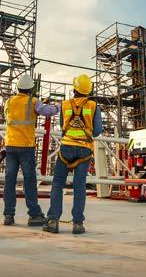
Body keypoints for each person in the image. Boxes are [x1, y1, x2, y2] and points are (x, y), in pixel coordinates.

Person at [44, 73, 102, 235]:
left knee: (57, 184)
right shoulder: (93, 106)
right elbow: (97, 131)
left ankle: (53, 221)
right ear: (88, 90)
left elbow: (63, 126)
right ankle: (77, 224)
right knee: (79, 186)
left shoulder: (65, 104)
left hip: (66, 149)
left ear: (75, 89)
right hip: (84, 150)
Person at [3, 73, 60, 227]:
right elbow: (47, 111)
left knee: (10, 180)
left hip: (10, 146)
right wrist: (59, 106)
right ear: (31, 89)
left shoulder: (8, 102)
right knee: (29, 180)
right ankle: (34, 214)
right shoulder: (33, 101)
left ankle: (9, 214)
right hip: (26, 146)